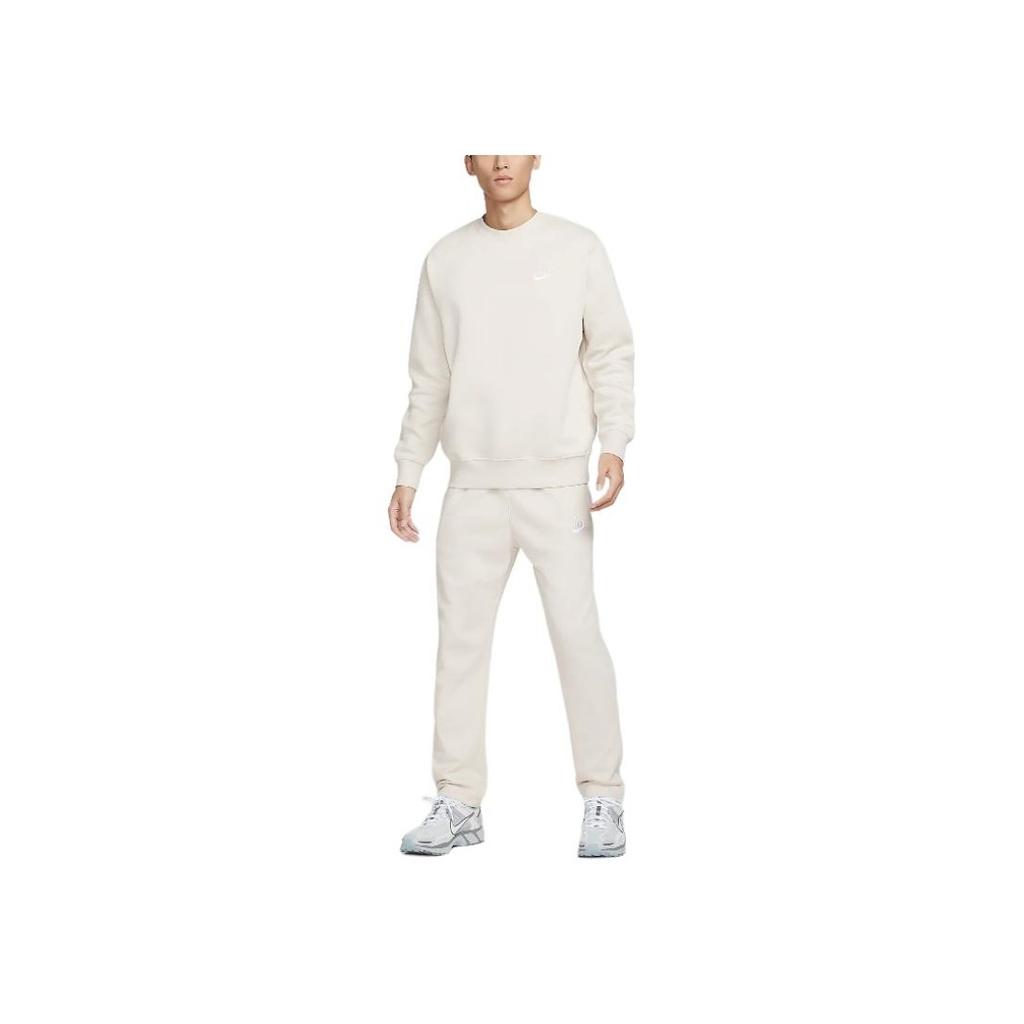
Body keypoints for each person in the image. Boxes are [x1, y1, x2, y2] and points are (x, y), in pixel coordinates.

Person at [389, 155, 635, 857]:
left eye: (515, 144)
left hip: (556, 484)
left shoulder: (577, 248)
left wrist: (615, 442)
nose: (502, 160)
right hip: (471, 484)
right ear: (467, 161)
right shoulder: (446, 260)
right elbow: (429, 377)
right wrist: (409, 469)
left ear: (536, 156)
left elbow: (610, 352)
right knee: (460, 646)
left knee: (577, 637)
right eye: (487, 146)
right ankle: (459, 800)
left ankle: (603, 796)